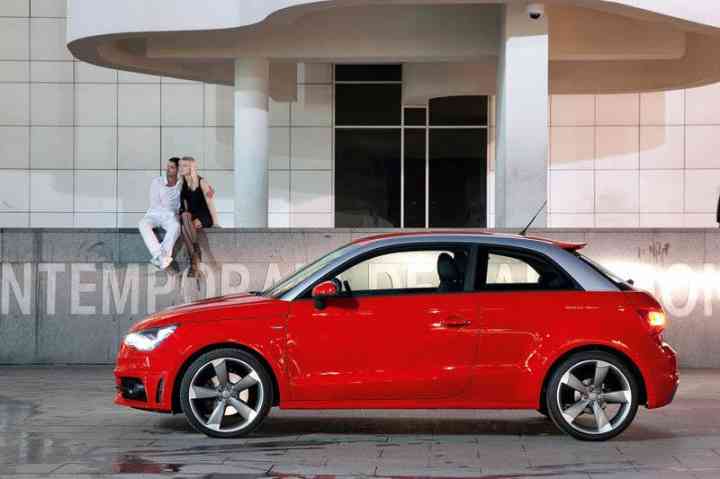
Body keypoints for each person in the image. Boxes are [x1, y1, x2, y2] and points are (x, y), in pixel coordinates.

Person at [178, 156, 220, 277]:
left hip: (203, 216)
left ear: (191, 168)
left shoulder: (201, 182)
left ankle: (194, 258)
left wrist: (216, 223)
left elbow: (210, 203)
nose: (181, 168)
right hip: (190, 217)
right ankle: (195, 252)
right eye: (180, 165)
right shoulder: (181, 184)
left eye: (185, 165)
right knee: (185, 217)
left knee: (184, 227)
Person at [138, 158, 182, 270]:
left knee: (176, 226)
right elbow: (155, 203)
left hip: (170, 216)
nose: (168, 169)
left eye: (172, 167)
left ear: (178, 170)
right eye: (168, 166)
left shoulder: (181, 185)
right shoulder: (157, 182)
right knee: (142, 224)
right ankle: (161, 256)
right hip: (154, 214)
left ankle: (161, 258)